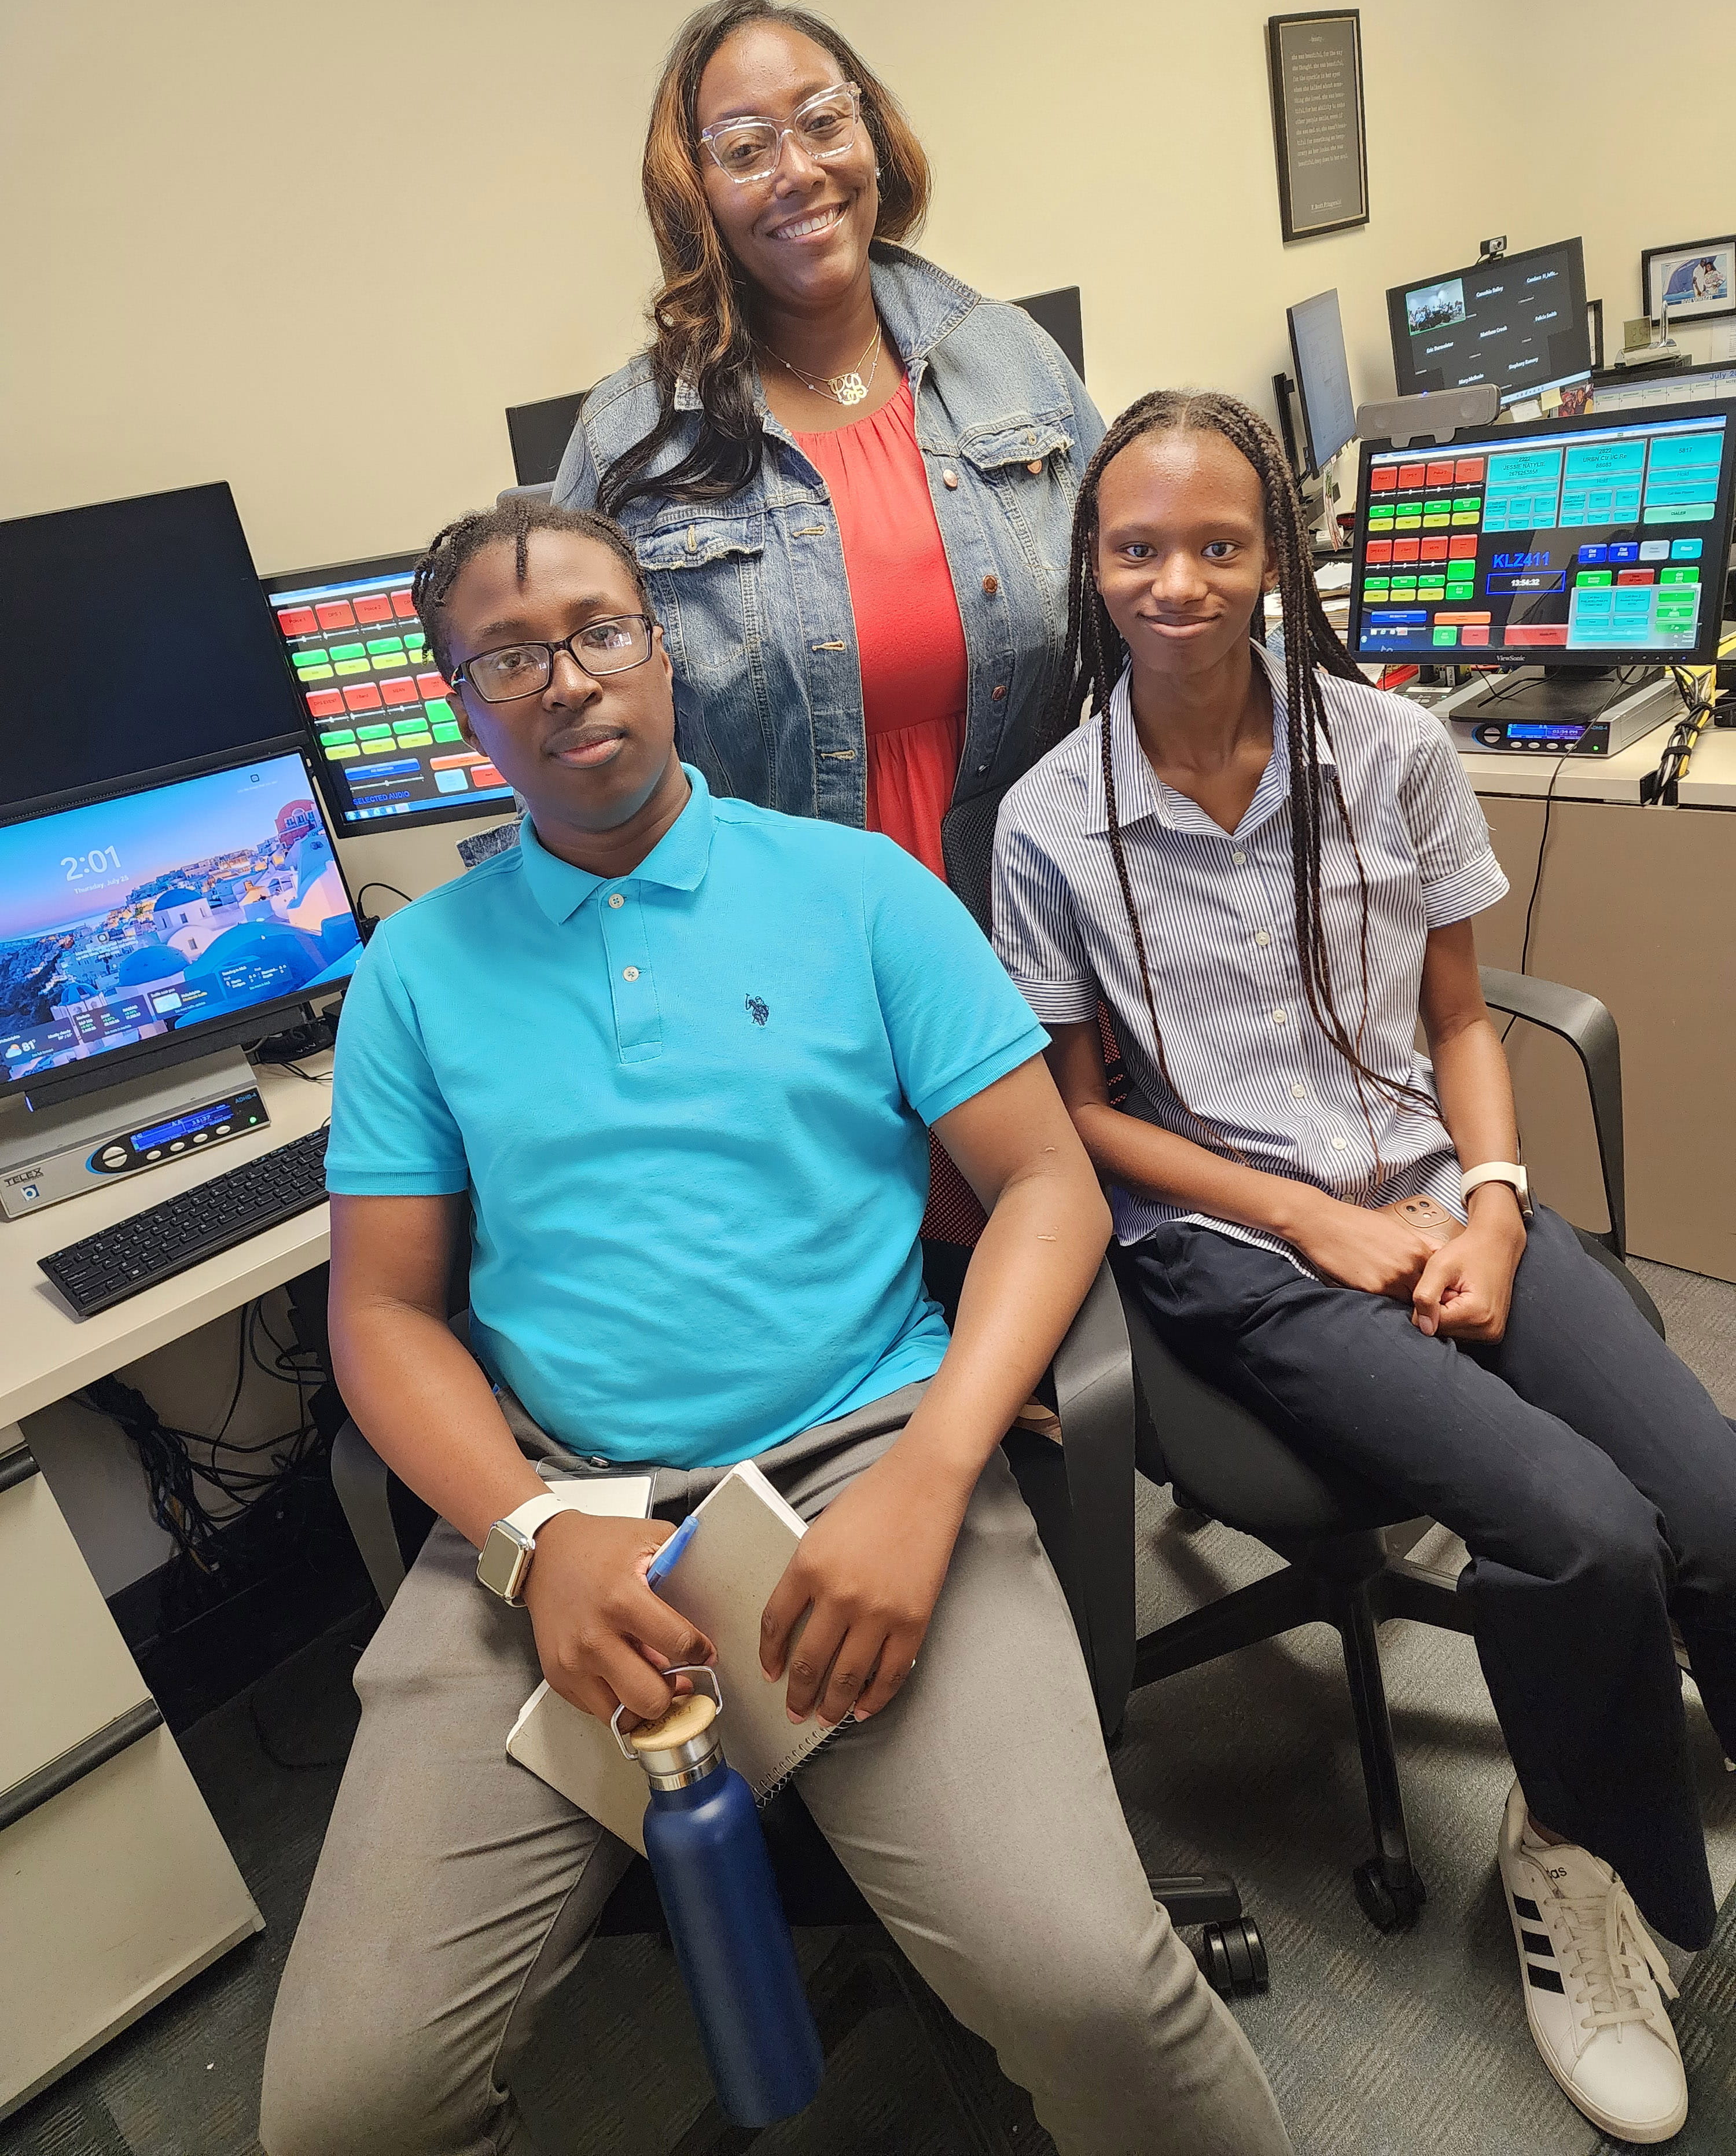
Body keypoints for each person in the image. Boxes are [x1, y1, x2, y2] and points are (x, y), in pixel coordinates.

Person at [257, 498, 1292, 2156]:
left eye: (601, 630)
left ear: (665, 652)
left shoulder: (858, 892)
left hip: (859, 1464)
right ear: (459, 708)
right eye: (508, 656)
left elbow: (1048, 1188)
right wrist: (531, 1537)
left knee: (1095, 1989)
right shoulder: (416, 975)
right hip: (559, 1501)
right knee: (345, 2112)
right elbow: (378, 1314)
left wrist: (937, 1466)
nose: (569, 680)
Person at [991, 389, 1736, 2148]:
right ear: (1091, 571)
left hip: (1435, 1187)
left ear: (1278, 561)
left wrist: (1488, 1207)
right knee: (1576, 1530)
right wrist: (1316, 1223)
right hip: (1243, 1256)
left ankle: (1666, 1726)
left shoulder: (1390, 748)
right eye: (1136, 548)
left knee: (1711, 1494)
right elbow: (1080, 1118)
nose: (1178, 582)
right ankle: (1572, 1849)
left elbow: (1463, 1020)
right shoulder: (1048, 821)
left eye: (1219, 545)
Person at [553, 0, 1106, 1249]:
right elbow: (570, 714)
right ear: (694, 189)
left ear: (873, 132)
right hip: (776, 981)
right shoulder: (633, 436)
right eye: (745, 146)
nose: (797, 169)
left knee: (1059, 1299)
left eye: (822, 121)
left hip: (1019, 938)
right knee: (851, 1312)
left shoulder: (1005, 358)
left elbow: (1132, 611)